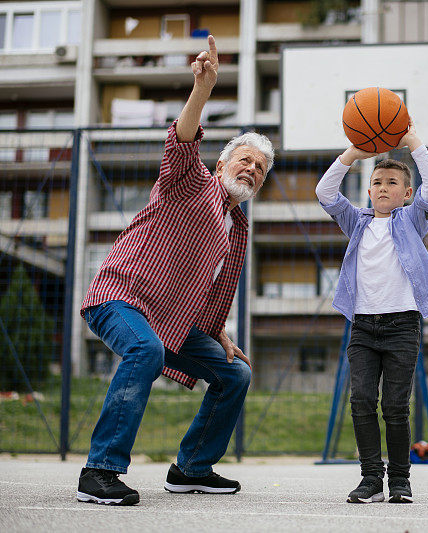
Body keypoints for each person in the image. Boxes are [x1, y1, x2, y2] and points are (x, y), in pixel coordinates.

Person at [76, 35, 274, 506]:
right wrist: (202, 90)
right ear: (222, 161)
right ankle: (99, 471)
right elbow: (181, 141)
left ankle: (191, 469)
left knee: (235, 375)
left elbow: (206, 289)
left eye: (261, 168)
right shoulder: (189, 181)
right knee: (143, 350)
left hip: (175, 322)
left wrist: (218, 333)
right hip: (121, 297)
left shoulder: (237, 226)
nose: (251, 169)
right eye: (245, 159)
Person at [315, 119, 428, 503]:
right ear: (369, 190)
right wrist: (353, 154)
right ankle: (371, 478)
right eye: (377, 182)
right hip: (363, 328)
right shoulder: (356, 221)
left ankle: (401, 482)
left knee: (394, 406)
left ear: (406, 194)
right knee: (360, 402)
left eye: (392, 183)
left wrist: (413, 143)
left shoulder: (411, 219)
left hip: (403, 325)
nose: (383, 188)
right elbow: (324, 192)